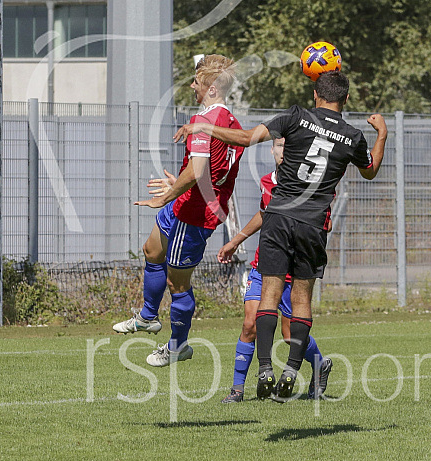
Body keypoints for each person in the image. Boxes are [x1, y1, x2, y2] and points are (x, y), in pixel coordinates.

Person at [173, 70, 387, 402]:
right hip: (313, 225)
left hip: (279, 217)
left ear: (315, 94)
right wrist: (382, 134)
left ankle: (265, 370)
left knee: (268, 297)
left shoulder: (295, 117)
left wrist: (204, 126)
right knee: (301, 300)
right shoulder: (352, 137)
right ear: (345, 99)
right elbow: (370, 170)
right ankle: (291, 369)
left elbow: (244, 138)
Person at [113, 54, 245, 368]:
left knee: (178, 283)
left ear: (212, 88)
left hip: (194, 213)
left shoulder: (205, 123)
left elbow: (199, 171)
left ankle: (178, 345)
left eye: (197, 82)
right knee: (151, 250)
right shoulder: (230, 122)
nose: (191, 86)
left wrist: (169, 193)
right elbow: (216, 171)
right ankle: (147, 318)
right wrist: (181, 186)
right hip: (187, 202)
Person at [217, 138, 332, 403]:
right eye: (279, 146)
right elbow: (264, 212)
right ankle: (236, 390)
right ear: (271, 150)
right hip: (264, 266)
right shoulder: (268, 181)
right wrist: (235, 241)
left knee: (290, 334)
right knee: (249, 324)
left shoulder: (306, 185)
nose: (283, 151)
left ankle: (319, 364)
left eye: (289, 147)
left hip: (292, 273)